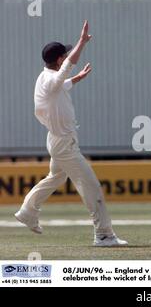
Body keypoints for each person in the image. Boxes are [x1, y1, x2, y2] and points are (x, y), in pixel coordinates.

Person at [14, 21, 127, 247]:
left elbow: (62, 83)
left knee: (56, 177)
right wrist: (82, 42)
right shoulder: (50, 79)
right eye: (64, 56)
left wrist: (77, 78)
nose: (67, 58)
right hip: (64, 143)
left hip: (56, 140)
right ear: (59, 60)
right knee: (91, 185)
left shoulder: (46, 78)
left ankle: (28, 210)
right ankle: (103, 234)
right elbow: (66, 69)